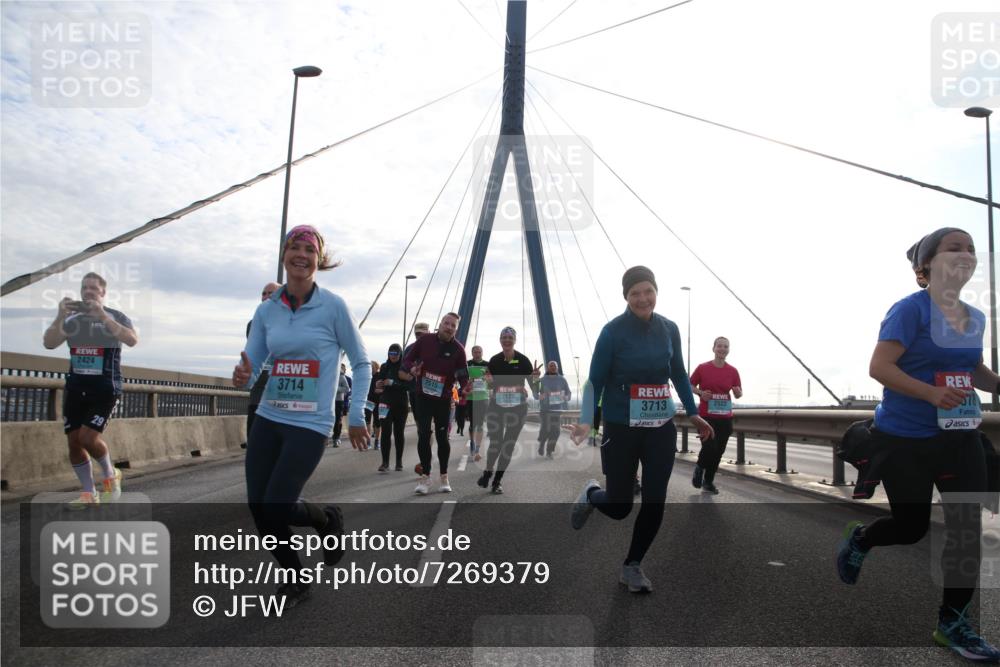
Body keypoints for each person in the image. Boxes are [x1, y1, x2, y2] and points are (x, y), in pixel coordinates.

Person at [836, 228, 1000, 661]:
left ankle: (953, 624)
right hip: (905, 439)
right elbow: (880, 366)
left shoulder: (974, 318)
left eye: (970, 249)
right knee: (911, 528)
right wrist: (930, 393)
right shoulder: (909, 310)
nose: (966, 254)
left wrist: (998, 384)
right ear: (926, 265)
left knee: (966, 531)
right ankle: (862, 539)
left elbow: (973, 368)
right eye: (954, 248)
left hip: (959, 437)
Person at [233, 224, 371, 609]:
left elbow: (362, 363)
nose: (301, 255)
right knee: (258, 507)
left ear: (318, 260)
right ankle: (296, 579)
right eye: (294, 247)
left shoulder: (334, 307)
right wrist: (243, 376)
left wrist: (356, 414)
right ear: (284, 255)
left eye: (309, 250)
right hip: (270, 416)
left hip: (310, 424)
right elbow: (252, 367)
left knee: (277, 505)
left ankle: (327, 519)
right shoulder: (266, 310)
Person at [565, 265, 713, 593]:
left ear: (656, 292)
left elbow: (678, 373)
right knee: (620, 507)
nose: (643, 298)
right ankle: (592, 495)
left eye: (648, 291)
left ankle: (632, 566)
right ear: (626, 297)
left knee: (655, 500)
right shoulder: (612, 332)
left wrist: (693, 413)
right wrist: (588, 420)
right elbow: (594, 381)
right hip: (621, 427)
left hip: (660, 427)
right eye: (635, 293)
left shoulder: (669, 329)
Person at [44, 271, 138, 508]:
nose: (88, 292)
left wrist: (102, 316)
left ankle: (110, 474)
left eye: (93, 288)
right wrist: (60, 315)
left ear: (103, 292)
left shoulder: (115, 316)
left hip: (105, 388)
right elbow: (49, 343)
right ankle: (88, 493)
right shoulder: (72, 319)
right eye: (84, 288)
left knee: (87, 438)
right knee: (74, 442)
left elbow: (131, 339)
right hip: (76, 387)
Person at [400, 313, 469, 494]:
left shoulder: (458, 350)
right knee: (423, 435)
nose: (449, 327)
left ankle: (444, 476)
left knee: (442, 437)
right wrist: (412, 369)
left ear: (456, 329)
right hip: (422, 397)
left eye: (453, 325)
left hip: (443, 400)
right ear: (440, 323)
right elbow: (406, 361)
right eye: (447, 323)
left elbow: (463, 375)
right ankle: (425, 477)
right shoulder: (425, 341)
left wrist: (464, 388)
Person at [476, 327, 541, 494]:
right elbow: (490, 386)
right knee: (496, 443)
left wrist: (535, 379)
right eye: (504, 337)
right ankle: (488, 471)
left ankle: (497, 481)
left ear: (514, 340)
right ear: (500, 340)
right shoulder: (494, 360)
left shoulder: (523, 361)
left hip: (518, 409)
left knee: (508, 445)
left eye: (510, 337)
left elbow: (535, 391)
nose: (507, 340)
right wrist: (488, 381)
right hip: (497, 407)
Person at [690, 336, 743, 494]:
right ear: (713, 348)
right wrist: (700, 393)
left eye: (725, 346)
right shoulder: (703, 368)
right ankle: (699, 468)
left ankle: (708, 481)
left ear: (728, 350)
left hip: (725, 417)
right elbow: (689, 385)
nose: (722, 349)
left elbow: (739, 393)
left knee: (719, 451)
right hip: (706, 417)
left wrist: (737, 392)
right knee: (710, 447)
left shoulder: (732, 371)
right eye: (719, 346)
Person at [245, 282, 281, 443]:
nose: (266, 296)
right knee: (254, 417)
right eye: (264, 293)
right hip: (260, 378)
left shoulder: (294, 322)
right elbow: (255, 351)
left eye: (271, 293)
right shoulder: (253, 323)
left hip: (281, 380)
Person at [376, 343, 408, 472]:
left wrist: (393, 383)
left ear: (400, 354)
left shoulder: (405, 367)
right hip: (385, 402)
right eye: (391, 353)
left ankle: (399, 462)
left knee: (399, 433)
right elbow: (379, 382)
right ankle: (385, 463)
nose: (393, 356)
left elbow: (409, 386)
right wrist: (379, 384)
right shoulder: (384, 366)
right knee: (385, 432)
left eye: (396, 353)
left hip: (401, 403)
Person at [538, 360, 571, 458]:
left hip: (557, 410)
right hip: (545, 410)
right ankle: (542, 444)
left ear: (557, 368)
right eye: (551, 366)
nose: (553, 367)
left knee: (556, 432)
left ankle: (549, 451)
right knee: (545, 430)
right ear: (548, 368)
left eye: (554, 366)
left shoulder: (562, 380)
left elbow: (568, 393)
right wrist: (539, 396)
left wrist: (566, 397)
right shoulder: (542, 380)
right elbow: (535, 393)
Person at [466, 345, 490, 461]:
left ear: (482, 353)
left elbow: (492, 380)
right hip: (471, 398)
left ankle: (477, 450)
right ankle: (472, 443)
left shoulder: (487, 365)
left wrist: (487, 378)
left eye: (479, 352)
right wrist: (468, 382)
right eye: (475, 352)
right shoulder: (467, 364)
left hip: (483, 397)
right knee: (473, 424)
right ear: (472, 353)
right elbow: (462, 379)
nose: (477, 354)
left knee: (480, 424)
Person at [332, 362, 351, 447]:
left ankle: (336, 438)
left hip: (338, 401)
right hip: (328, 400)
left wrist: (336, 388)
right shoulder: (328, 374)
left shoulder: (341, 376)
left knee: (337, 420)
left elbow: (347, 389)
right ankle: (326, 438)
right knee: (328, 419)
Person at [365, 360, 381, 449]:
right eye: (369, 367)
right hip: (369, 401)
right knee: (367, 421)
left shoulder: (380, 375)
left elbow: (385, 388)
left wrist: (380, 390)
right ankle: (368, 442)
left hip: (378, 401)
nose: (370, 368)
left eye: (372, 366)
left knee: (378, 422)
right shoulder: (367, 376)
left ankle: (377, 441)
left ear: (376, 367)